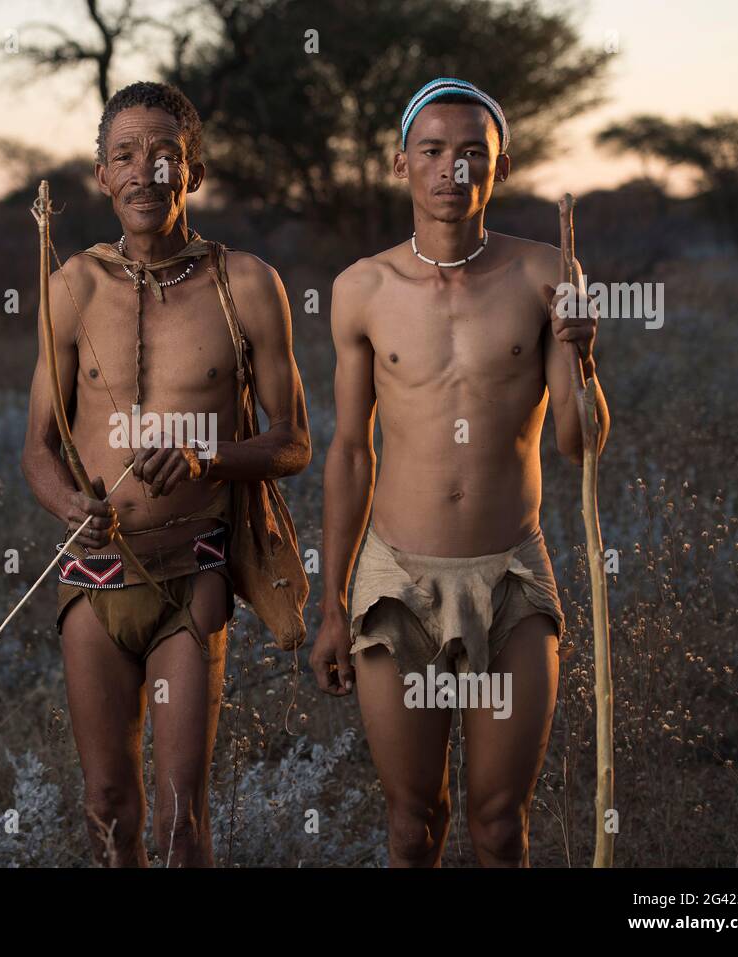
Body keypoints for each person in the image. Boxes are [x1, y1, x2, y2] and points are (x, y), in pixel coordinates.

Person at [312, 78, 609, 866]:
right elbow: (349, 451)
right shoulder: (360, 289)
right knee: (413, 823)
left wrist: (583, 356)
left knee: (500, 825)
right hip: (396, 581)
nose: (454, 170)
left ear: (500, 167)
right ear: (401, 161)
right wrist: (334, 603)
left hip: (510, 573)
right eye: (435, 151)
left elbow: (581, 445)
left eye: (474, 152)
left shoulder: (548, 274)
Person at [22, 81, 310, 866]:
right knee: (109, 806)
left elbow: (294, 442)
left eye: (164, 156)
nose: (144, 172)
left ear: (194, 171)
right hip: (93, 572)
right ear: (102, 175)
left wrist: (205, 456)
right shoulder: (71, 286)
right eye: (125, 156)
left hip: (194, 572)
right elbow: (37, 449)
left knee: (184, 817)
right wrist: (68, 507)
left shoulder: (244, 283)